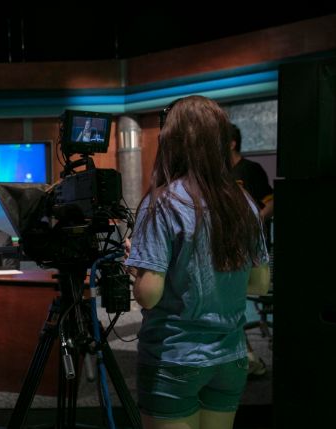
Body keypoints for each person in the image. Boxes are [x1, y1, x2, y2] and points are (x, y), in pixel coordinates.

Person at [126, 96, 270, 429]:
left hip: (175, 358)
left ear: (172, 142)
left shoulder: (161, 202)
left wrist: (138, 267)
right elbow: (260, 284)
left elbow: (149, 295)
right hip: (231, 359)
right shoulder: (244, 202)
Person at [229, 123, 274, 377]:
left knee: (232, 302)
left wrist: (256, 219)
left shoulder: (251, 170)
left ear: (232, 142)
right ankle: (245, 358)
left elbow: (270, 201)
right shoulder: (218, 174)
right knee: (229, 303)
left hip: (249, 249)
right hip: (226, 249)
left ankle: (246, 358)